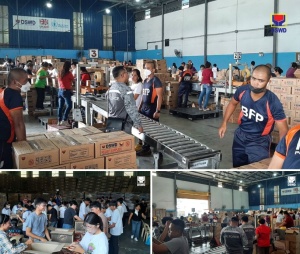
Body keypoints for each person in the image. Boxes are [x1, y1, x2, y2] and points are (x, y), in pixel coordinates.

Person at [219, 65, 288, 167]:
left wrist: (281, 153)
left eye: (261, 81)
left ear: (268, 81)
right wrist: (224, 123)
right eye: (254, 78)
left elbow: (283, 130)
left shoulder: (273, 102)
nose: (256, 83)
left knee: (257, 169)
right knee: (238, 168)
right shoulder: (242, 90)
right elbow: (233, 103)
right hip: (240, 136)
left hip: (259, 141)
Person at [0, 68, 27, 169]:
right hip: (4, 139)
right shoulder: (15, 96)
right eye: (25, 81)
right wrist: (24, 148)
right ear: (15, 82)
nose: (27, 84)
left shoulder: (4, 91)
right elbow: (18, 123)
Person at [137, 60, 163, 156]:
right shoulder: (145, 81)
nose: (146, 70)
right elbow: (143, 96)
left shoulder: (156, 81)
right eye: (145, 68)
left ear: (153, 69)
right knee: (144, 129)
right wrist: (139, 108)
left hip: (152, 109)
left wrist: (158, 110)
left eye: (148, 68)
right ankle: (145, 147)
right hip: (144, 108)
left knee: (153, 131)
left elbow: (160, 96)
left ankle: (155, 150)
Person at [107, 65, 143, 134]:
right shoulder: (126, 90)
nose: (128, 75)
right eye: (127, 73)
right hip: (124, 125)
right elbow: (131, 109)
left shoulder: (110, 89)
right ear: (122, 75)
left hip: (112, 123)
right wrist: (139, 125)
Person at [57, 61, 74, 127]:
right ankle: (64, 119)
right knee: (69, 105)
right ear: (69, 66)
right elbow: (73, 80)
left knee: (60, 107)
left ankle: (59, 120)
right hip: (66, 91)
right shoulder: (69, 73)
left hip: (60, 91)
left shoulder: (60, 72)